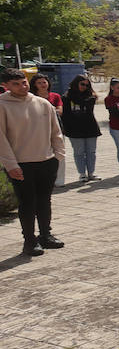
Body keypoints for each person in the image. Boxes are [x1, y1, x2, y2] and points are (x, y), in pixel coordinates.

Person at [0, 68, 66, 256]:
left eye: (24, 82)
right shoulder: (2, 105)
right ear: (5, 86)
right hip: (21, 164)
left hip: (46, 160)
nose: (22, 86)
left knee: (44, 201)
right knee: (27, 203)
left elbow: (56, 131)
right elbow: (1, 139)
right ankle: (30, 241)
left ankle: (46, 235)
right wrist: (11, 165)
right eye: (16, 84)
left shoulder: (42, 103)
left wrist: (58, 156)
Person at [61, 75, 101, 182]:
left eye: (87, 85)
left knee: (91, 152)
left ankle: (91, 173)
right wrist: (65, 128)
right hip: (74, 129)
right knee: (79, 152)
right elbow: (65, 114)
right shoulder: (66, 97)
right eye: (82, 84)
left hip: (90, 127)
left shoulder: (90, 96)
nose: (85, 87)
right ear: (76, 83)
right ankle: (82, 174)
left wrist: (88, 94)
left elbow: (86, 106)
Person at [30, 75, 67, 188]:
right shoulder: (31, 98)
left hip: (56, 129)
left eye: (44, 82)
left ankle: (59, 180)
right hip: (37, 131)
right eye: (39, 83)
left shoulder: (55, 96)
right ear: (34, 85)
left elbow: (59, 111)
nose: (42, 84)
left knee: (59, 154)